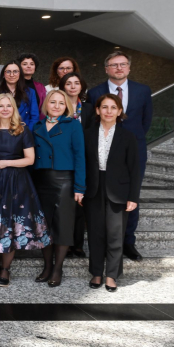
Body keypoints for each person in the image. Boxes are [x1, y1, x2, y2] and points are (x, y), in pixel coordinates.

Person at [0, 94, 50, 287]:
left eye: (8, 106)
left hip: (15, 182)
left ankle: (5, 269)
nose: (5, 109)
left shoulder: (22, 130)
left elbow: (30, 159)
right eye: (1, 106)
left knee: (10, 223)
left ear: (13, 109)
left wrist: (6, 163)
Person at [87, 51, 152, 262]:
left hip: (134, 150)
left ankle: (128, 242)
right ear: (106, 69)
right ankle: (106, 241)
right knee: (104, 196)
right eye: (114, 65)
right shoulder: (95, 92)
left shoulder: (143, 91)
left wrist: (129, 142)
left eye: (123, 64)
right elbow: (91, 122)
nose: (119, 68)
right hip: (103, 151)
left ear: (129, 67)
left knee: (132, 194)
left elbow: (146, 122)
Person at [84, 94, 141, 292]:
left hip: (119, 191)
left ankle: (112, 275)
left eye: (113, 107)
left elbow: (135, 169)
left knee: (115, 235)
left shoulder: (128, 136)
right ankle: (96, 273)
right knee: (95, 234)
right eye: (104, 107)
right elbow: (82, 164)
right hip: (93, 189)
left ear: (119, 111)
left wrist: (133, 197)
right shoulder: (87, 134)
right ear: (97, 110)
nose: (108, 111)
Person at [32, 89, 86, 287]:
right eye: (53, 102)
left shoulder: (73, 125)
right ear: (46, 104)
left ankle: (57, 269)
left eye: (61, 103)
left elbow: (80, 157)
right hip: (41, 181)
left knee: (62, 227)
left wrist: (80, 187)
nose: (56, 106)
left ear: (66, 107)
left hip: (65, 181)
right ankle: (47, 267)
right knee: (44, 227)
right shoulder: (37, 126)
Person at [60, 71, 94, 258]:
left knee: (80, 203)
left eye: (76, 83)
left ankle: (78, 245)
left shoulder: (89, 108)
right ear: (63, 87)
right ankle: (64, 244)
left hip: (84, 158)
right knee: (64, 205)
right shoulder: (59, 106)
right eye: (68, 83)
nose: (73, 87)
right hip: (64, 159)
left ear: (82, 86)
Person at [0, 61, 40, 130]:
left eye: (15, 71)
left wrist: (26, 133)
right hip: (1, 132)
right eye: (8, 72)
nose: (12, 75)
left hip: (24, 131)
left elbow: (35, 117)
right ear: (3, 74)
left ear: (20, 74)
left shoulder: (30, 92)